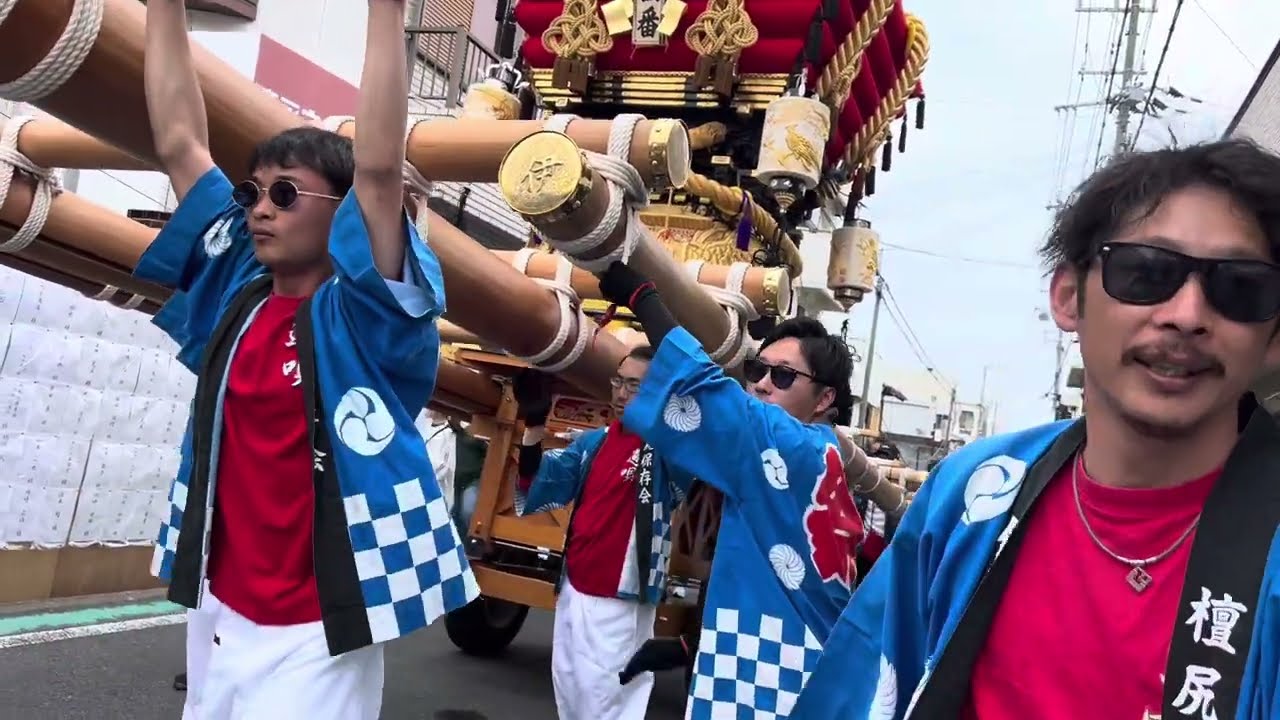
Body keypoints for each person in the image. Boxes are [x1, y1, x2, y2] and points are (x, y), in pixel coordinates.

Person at [788, 139, 1280, 720]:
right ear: (1069, 296)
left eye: (1240, 288)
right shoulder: (972, 495)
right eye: (1147, 272)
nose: (1187, 316)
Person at [141, 2, 477, 718]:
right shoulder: (243, 289)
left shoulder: (365, 314)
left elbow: (382, 169)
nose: (260, 209)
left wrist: (387, 13)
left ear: (343, 211)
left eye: (286, 194)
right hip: (219, 603)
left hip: (317, 623)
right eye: (252, 192)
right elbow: (178, 141)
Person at [594, 268, 872, 719]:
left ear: (824, 400)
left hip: (773, 678)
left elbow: (699, 386)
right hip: (804, 662)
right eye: (757, 369)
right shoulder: (820, 459)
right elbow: (769, 570)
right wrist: (690, 643)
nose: (761, 383)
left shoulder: (788, 445)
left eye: (782, 376)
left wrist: (642, 295)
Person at [512, 345, 693, 720]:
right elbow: (541, 484)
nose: (621, 393)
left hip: (620, 595)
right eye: (617, 382)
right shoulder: (594, 443)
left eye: (633, 385)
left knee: (609, 698)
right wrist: (533, 426)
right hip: (574, 585)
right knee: (569, 689)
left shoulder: (668, 452)